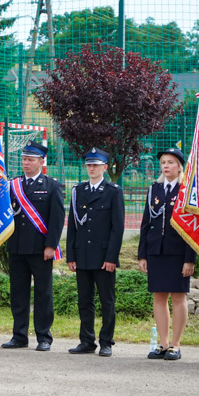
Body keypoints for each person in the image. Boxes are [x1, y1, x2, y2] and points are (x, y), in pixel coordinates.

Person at [4, 140, 64, 351]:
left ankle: (44, 337)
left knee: (43, 294)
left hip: (40, 250)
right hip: (17, 248)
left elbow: (57, 220)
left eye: (30, 159)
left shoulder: (52, 186)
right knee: (18, 294)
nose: (26, 163)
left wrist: (51, 246)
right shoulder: (13, 185)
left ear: (41, 161)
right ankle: (19, 336)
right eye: (24, 159)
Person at [138, 147, 196, 361]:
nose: (166, 166)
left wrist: (190, 259)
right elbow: (146, 223)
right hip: (156, 251)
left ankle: (175, 344)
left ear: (180, 166)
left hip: (178, 253)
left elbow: (193, 227)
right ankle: (162, 343)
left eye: (170, 162)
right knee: (158, 297)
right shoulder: (154, 189)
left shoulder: (186, 190)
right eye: (163, 162)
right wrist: (142, 255)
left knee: (178, 297)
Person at [66, 148, 125, 357]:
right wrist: (71, 256)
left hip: (103, 257)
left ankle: (106, 341)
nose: (92, 168)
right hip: (82, 255)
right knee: (84, 300)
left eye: (96, 165)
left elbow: (117, 228)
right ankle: (86, 340)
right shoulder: (78, 191)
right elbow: (73, 226)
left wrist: (111, 258)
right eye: (89, 165)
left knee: (107, 301)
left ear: (105, 168)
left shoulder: (113, 191)